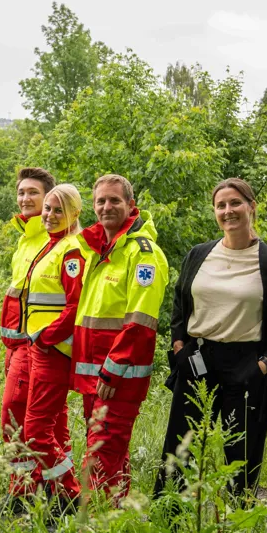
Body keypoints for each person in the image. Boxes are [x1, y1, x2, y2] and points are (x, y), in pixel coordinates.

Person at [154, 178, 267, 500]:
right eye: (221, 205)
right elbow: (180, 303)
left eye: (235, 203)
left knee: (241, 454)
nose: (228, 211)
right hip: (197, 360)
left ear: (251, 207)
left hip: (247, 366)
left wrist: (264, 365)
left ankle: (235, 527)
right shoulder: (199, 255)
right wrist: (179, 345)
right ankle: (169, 516)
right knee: (180, 446)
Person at [72, 174, 168, 504]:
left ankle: (91, 529)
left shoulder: (143, 254)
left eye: (115, 200)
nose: (107, 206)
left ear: (131, 205)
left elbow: (140, 323)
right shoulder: (100, 250)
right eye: (100, 201)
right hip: (95, 377)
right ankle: (114, 519)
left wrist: (113, 371)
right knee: (110, 451)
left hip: (117, 377)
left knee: (100, 454)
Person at [0, 167, 70, 500]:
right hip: (22, 343)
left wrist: (40, 341)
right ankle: (38, 490)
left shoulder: (53, 237)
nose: (25, 199)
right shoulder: (26, 239)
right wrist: (10, 348)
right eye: (21, 192)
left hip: (44, 345)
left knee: (26, 420)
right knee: (45, 423)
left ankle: (38, 491)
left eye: (33, 193)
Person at [22, 184, 85, 504]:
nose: (48, 214)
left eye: (58, 210)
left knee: (34, 430)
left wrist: (47, 338)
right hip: (40, 347)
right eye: (47, 208)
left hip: (54, 350)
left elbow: (75, 306)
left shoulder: (71, 250)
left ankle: (68, 492)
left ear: (74, 214)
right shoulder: (51, 244)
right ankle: (56, 493)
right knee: (53, 427)